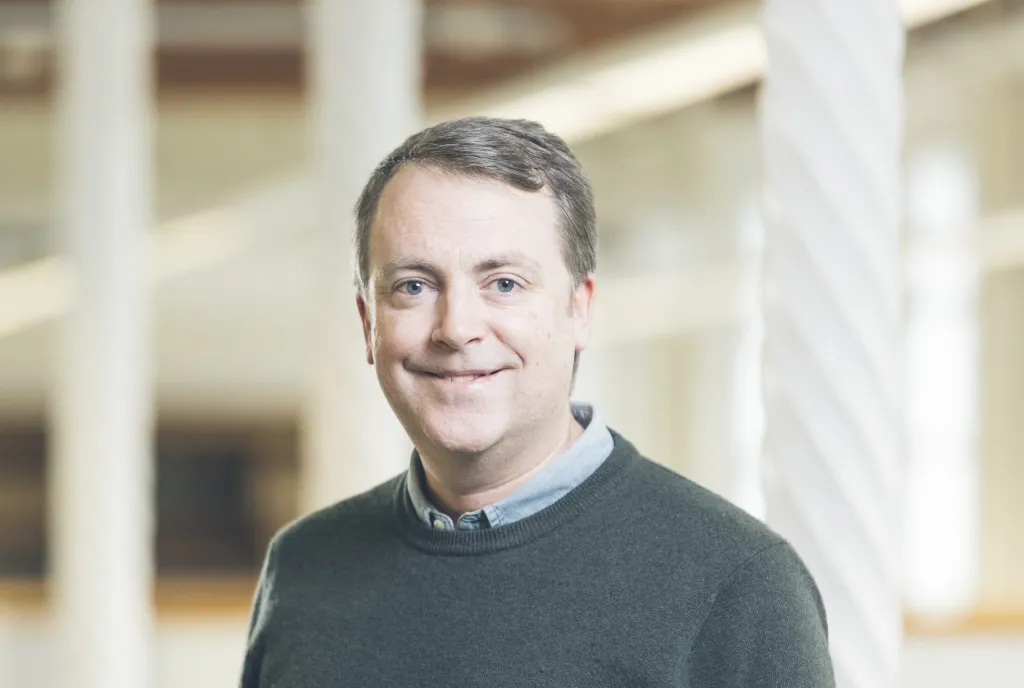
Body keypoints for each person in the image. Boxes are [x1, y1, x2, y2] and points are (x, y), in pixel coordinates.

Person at [240, 117, 835, 687]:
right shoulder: (302, 569)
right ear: (368, 320)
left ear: (579, 309)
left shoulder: (739, 585)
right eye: (414, 286)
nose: (457, 328)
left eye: (503, 283)